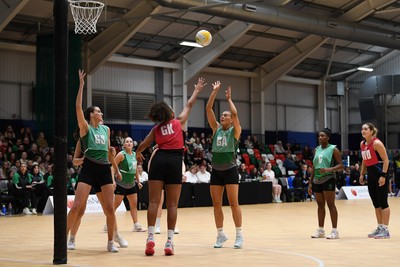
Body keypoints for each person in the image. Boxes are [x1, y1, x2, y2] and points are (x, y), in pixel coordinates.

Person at [136, 77, 206, 256]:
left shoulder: (156, 129)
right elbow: (189, 104)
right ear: (170, 113)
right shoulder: (178, 122)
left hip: (158, 160)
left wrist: (138, 154)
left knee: (153, 202)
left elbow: (143, 145)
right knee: (172, 204)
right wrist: (197, 90)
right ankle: (169, 242)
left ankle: (150, 238)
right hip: (174, 161)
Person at [66, 69, 121, 253]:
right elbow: (77, 108)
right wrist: (81, 86)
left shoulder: (106, 130)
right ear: (91, 115)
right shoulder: (85, 128)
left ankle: (110, 242)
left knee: (110, 210)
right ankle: (66, 239)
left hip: (104, 169)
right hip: (89, 169)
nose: (101, 113)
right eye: (98, 111)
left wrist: (114, 171)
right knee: (77, 208)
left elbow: (108, 152)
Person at [68, 139, 128, 251]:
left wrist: (116, 170)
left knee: (109, 210)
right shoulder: (83, 140)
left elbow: (110, 157)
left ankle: (115, 236)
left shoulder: (104, 137)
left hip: (102, 175)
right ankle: (71, 239)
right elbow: (75, 161)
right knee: (80, 210)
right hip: (87, 175)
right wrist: (82, 160)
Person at [206, 81, 243, 249]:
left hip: (230, 170)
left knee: (233, 203)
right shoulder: (216, 129)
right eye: (222, 115)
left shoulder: (235, 132)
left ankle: (239, 235)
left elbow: (235, 114)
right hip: (216, 170)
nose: (223, 117)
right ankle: (220, 235)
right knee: (216, 204)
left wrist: (229, 99)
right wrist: (214, 92)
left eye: (225, 115)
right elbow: (208, 109)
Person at [308, 128, 343, 239]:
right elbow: (314, 167)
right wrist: (310, 183)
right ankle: (321, 230)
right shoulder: (316, 149)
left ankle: (334, 231)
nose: (320, 137)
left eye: (322, 136)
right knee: (320, 205)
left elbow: (341, 165)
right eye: (319, 136)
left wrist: (329, 169)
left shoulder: (334, 149)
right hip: (317, 180)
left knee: (331, 205)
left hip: (328, 178)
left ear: (328, 137)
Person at [359, 123, 391, 239]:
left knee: (383, 202)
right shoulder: (362, 144)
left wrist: (383, 176)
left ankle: (385, 230)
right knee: (376, 203)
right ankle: (379, 226)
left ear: (371, 131)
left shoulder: (377, 143)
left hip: (380, 174)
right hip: (371, 176)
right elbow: (364, 160)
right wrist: (362, 174)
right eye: (362, 129)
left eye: (366, 129)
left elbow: (386, 160)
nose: (363, 131)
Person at [113, 137, 145, 232]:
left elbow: (134, 169)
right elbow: (113, 167)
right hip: (121, 184)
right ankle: (108, 222)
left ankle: (136, 225)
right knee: (116, 205)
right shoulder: (121, 155)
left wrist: (138, 181)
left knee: (133, 204)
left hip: (131, 184)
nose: (129, 143)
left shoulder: (135, 155)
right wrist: (113, 180)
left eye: (131, 141)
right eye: (127, 142)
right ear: (124, 144)